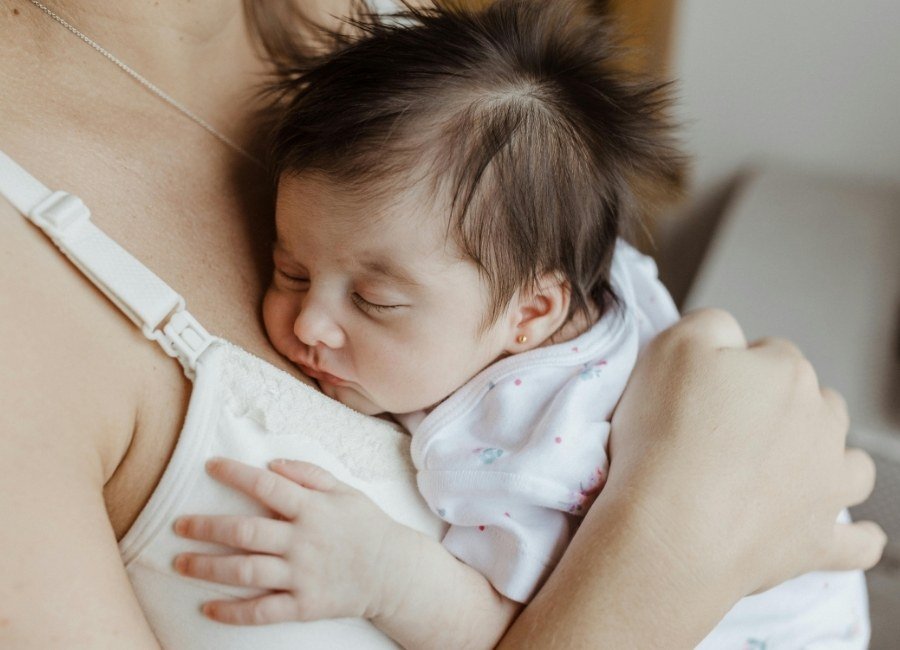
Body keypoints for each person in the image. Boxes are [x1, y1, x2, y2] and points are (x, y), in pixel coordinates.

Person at [0, 1, 885, 649]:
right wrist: (678, 529)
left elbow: (495, 616)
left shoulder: (390, 53)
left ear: (534, 314)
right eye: (288, 270)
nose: (309, 322)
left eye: (377, 303)